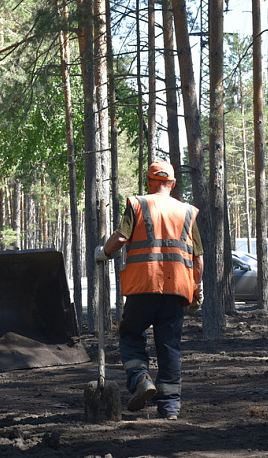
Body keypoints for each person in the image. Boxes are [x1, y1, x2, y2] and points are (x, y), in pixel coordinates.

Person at [94, 160, 203, 420]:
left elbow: (120, 237)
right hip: (176, 290)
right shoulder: (187, 211)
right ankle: (170, 408)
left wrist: (104, 253)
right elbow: (198, 258)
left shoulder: (138, 204)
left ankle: (141, 379)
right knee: (169, 347)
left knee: (131, 333)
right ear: (173, 183)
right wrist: (197, 287)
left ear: (149, 181)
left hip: (143, 287)